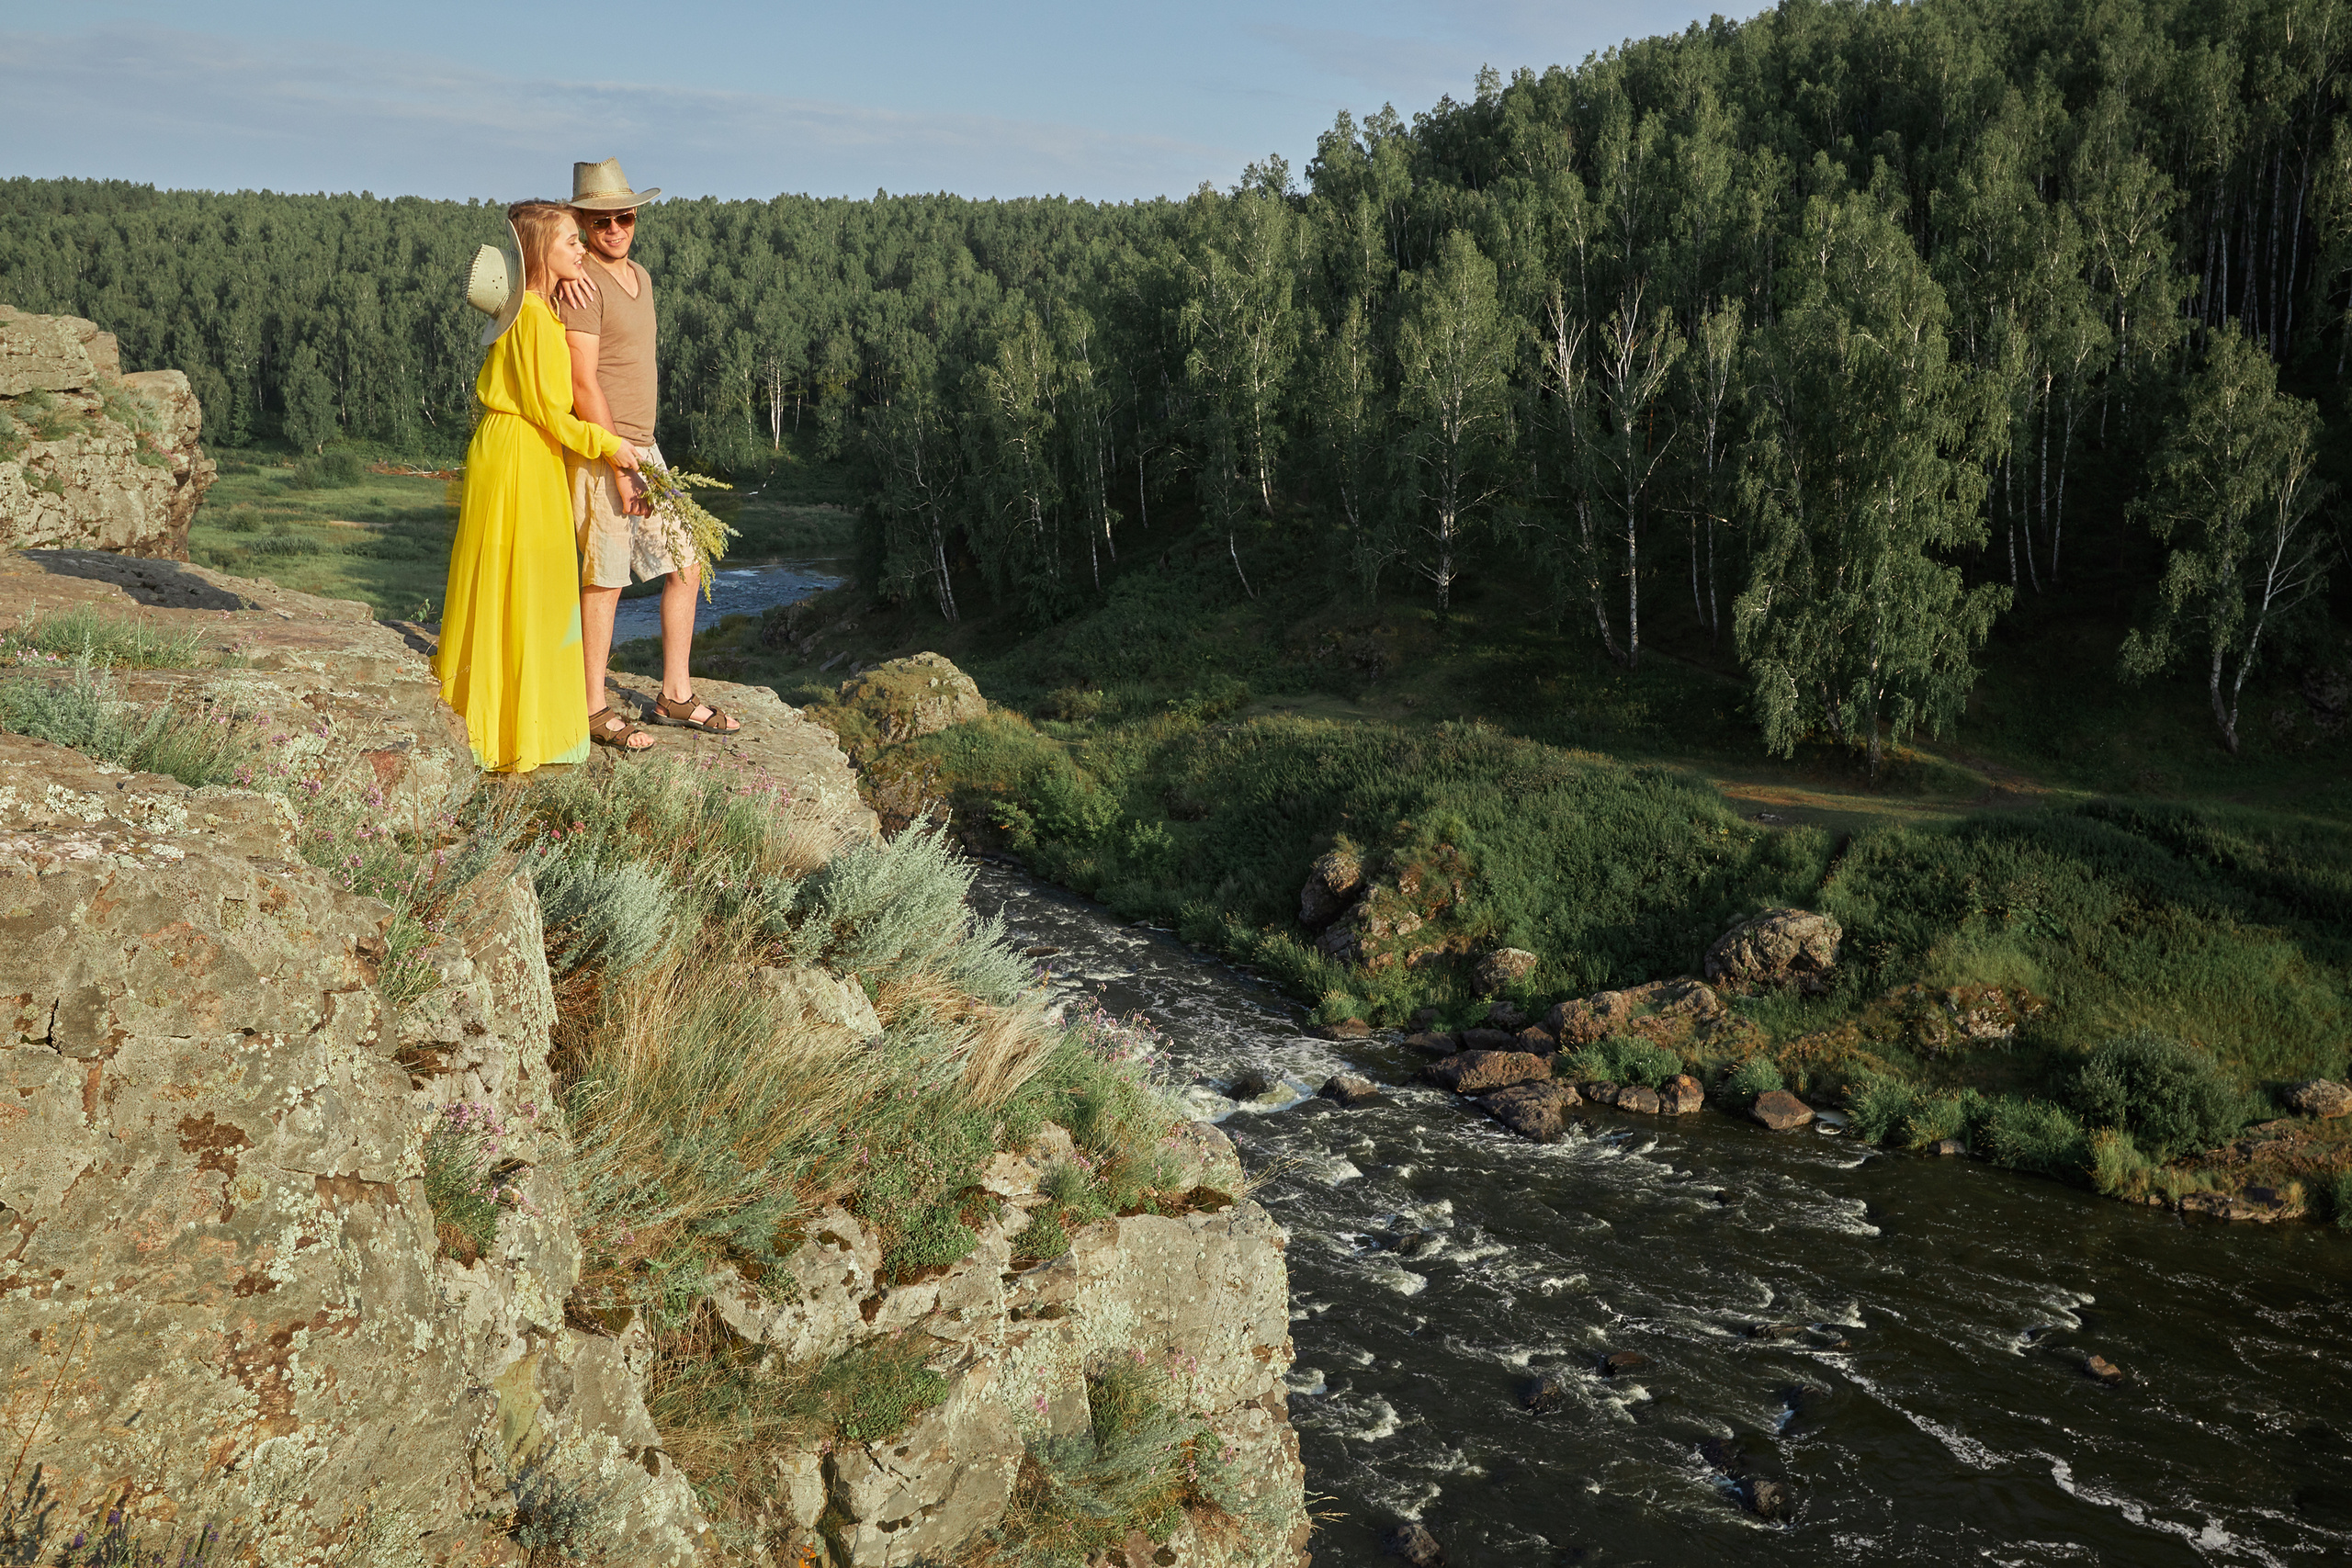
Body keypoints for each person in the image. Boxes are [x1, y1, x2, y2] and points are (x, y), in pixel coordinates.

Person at [436, 203, 641, 772]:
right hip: (521, 455)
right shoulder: (529, 317)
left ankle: (507, 719)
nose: (583, 250)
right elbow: (553, 414)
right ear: (538, 253)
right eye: (571, 242)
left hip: (521, 452)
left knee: (517, 585)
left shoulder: (537, 310)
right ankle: (514, 731)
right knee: (528, 588)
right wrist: (612, 446)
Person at [555, 156, 741, 743]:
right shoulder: (582, 286)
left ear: (636, 218)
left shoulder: (642, 277)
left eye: (625, 217)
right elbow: (583, 382)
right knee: (604, 579)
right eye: (601, 219)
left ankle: (674, 696)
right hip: (605, 450)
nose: (614, 228)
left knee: (688, 562)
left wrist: (640, 457)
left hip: (646, 448)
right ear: (584, 223)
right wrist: (617, 460)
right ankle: (590, 708)